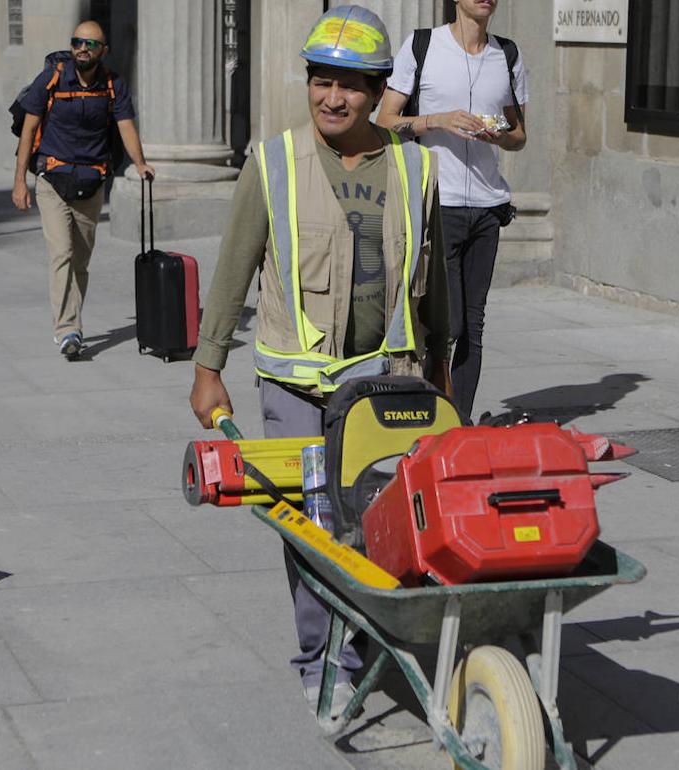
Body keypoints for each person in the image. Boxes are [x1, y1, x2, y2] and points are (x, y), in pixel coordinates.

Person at [188, 6, 452, 717]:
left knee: (373, 519)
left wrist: (443, 364)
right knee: (308, 522)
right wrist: (208, 366)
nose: (333, 98)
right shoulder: (272, 163)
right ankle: (316, 658)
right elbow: (233, 270)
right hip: (294, 384)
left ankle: (359, 648)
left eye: (351, 85)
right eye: (321, 81)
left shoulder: (416, 165)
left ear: (378, 92)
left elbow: (433, 282)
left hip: (384, 380)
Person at [376, 0, 528, 420]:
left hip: (488, 205)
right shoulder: (423, 46)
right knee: (449, 324)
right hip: (437, 203)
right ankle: (428, 414)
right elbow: (384, 118)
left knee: (473, 326)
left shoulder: (507, 54)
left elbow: (519, 135)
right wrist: (436, 120)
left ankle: (458, 424)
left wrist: (497, 135)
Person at [12, 20, 154, 359]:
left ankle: (71, 320)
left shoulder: (112, 84)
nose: (82, 48)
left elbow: (126, 127)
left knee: (81, 259)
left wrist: (140, 163)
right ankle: (67, 329)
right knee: (61, 253)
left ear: (103, 50)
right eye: (77, 42)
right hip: (52, 179)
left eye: (90, 44)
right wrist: (20, 180)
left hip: (91, 182)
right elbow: (29, 130)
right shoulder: (52, 78)